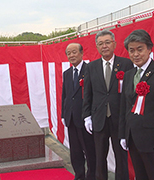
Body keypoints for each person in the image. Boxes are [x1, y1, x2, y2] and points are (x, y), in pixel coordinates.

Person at [82, 30, 133, 180]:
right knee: (99, 158)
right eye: (100, 44)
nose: (104, 46)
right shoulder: (91, 67)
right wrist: (87, 117)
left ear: (114, 44)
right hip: (99, 120)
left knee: (121, 158)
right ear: (97, 47)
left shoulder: (126, 64)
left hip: (119, 120)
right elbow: (88, 94)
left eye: (107, 42)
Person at [119, 29, 154, 180]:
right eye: (131, 50)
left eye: (140, 49)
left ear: (149, 48)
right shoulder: (128, 75)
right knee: (140, 176)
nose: (135, 54)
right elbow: (124, 108)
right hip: (133, 138)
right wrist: (123, 135)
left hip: (152, 141)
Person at [62, 43, 96, 180]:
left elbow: (94, 95)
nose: (71, 55)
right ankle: (79, 175)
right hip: (71, 118)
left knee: (90, 151)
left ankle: (92, 176)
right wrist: (63, 114)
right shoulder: (67, 73)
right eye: (69, 53)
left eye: (74, 52)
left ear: (82, 53)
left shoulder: (90, 70)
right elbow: (65, 96)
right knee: (75, 152)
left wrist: (91, 116)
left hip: (85, 118)